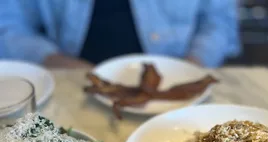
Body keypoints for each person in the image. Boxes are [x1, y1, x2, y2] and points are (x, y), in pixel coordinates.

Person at [0, 0, 241, 68]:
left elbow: (220, 21)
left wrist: (192, 65)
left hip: (175, 77)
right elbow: (8, 24)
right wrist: (53, 60)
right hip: (74, 80)